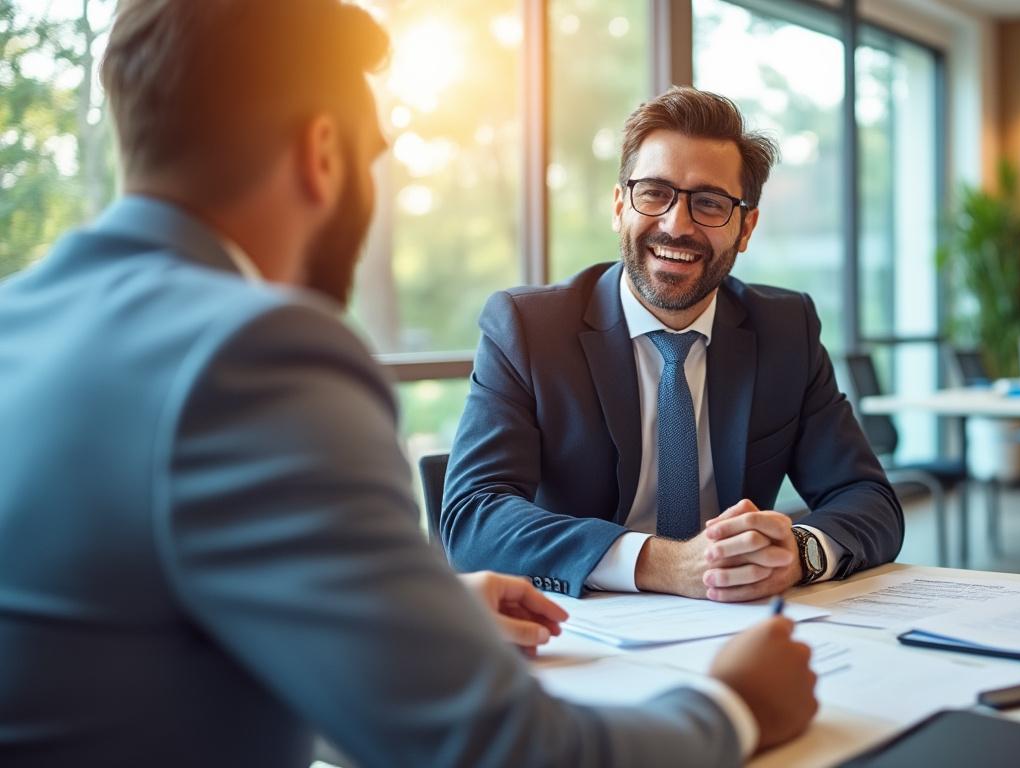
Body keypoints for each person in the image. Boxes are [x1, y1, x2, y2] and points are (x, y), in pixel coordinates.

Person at [0, 2, 817, 766]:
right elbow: (488, 746)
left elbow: (123, 625)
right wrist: (732, 706)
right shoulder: (252, 354)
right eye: (372, 155)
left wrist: (411, 613)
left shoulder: (19, 323)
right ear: (323, 154)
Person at [442, 87, 904, 603]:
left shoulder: (785, 328)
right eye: (654, 193)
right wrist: (663, 563)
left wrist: (799, 551)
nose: (676, 225)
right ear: (620, 206)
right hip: (583, 631)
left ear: (745, 227)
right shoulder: (528, 329)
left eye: (709, 203)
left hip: (738, 623)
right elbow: (474, 517)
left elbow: (868, 498)